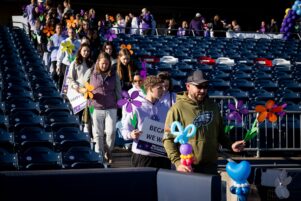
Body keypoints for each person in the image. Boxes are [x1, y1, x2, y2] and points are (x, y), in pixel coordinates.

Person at [163, 70, 245, 174]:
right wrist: (178, 163)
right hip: (187, 167)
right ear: (188, 86)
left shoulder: (213, 107)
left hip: (210, 166)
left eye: (205, 86)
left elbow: (220, 134)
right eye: (199, 86)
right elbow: (167, 139)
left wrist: (231, 145)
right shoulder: (177, 108)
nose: (203, 90)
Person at [121, 75, 171, 169]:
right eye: (159, 88)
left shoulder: (166, 108)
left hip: (162, 157)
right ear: (150, 88)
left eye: (163, 87)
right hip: (142, 156)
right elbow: (125, 129)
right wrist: (131, 134)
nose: (163, 90)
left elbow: (169, 129)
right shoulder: (137, 108)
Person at [89, 51, 121, 164]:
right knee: (98, 133)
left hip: (111, 106)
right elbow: (83, 85)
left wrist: (119, 103)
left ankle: (108, 151)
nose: (104, 66)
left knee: (111, 132)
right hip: (96, 107)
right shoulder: (91, 73)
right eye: (102, 63)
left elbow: (118, 89)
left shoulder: (114, 74)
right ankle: (100, 155)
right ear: (98, 62)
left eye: (107, 63)